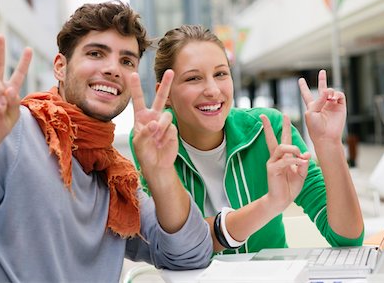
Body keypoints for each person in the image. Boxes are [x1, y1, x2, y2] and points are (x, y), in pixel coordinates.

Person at [0, 2, 212, 282]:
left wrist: (160, 173)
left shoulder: (115, 177)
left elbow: (191, 255)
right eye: (96, 53)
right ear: (60, 67)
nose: (113, 69)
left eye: (127, 61)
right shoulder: (13, 129)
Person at [130, 24, 364, 254]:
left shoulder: (268, 129)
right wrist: (271, 202)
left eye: (221, 74)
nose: (212, 90)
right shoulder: (153, 138)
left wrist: (330, 144)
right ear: (166, 93)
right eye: (193, 78)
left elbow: (346, 238)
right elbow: (177, 244)